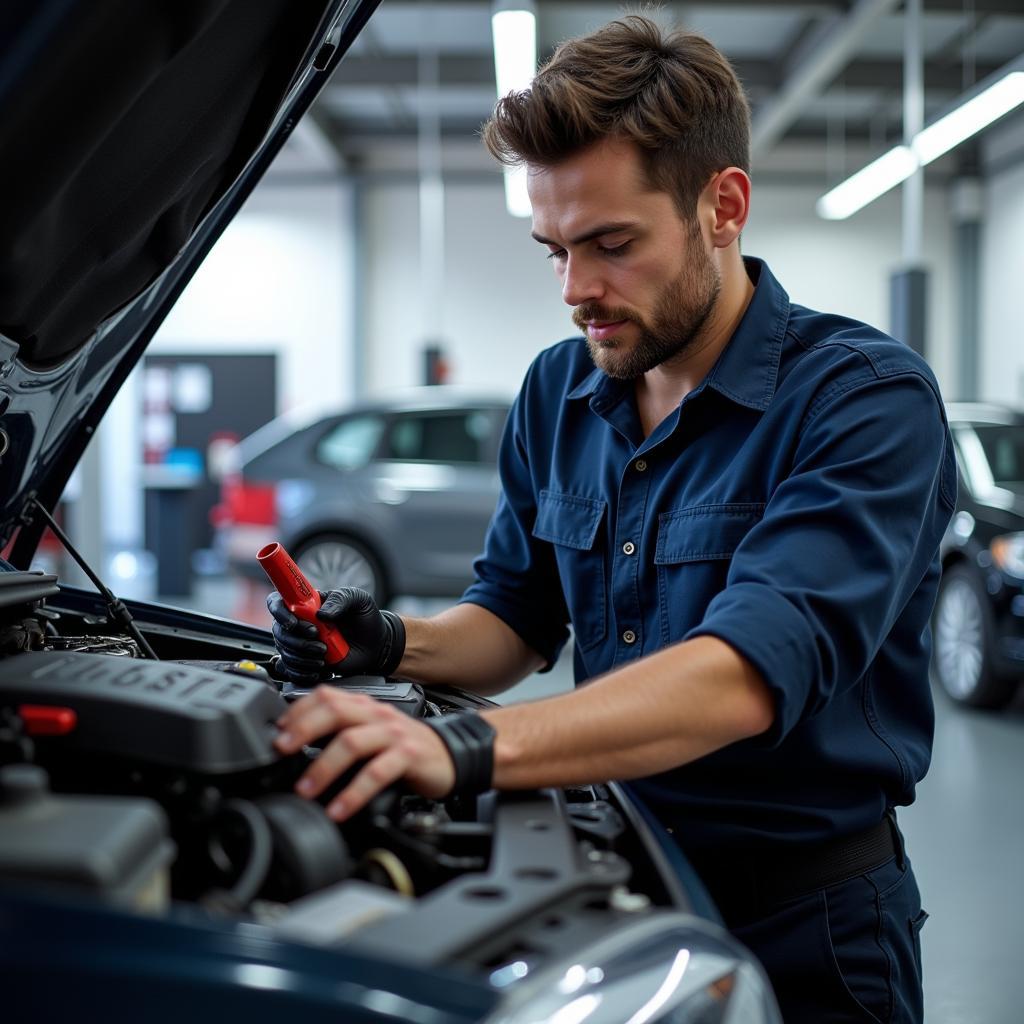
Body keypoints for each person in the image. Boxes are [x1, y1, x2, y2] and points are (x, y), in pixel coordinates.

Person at [269, 16, 954, 1022]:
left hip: (810, 929)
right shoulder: (560, 390)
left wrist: (467, 749)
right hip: (617, 892)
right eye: (552, 250)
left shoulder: (864, 400)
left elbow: (744, 673)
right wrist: (392, 639)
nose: (575, 290)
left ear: (722, 206)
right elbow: (512, 622)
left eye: (611, 244)